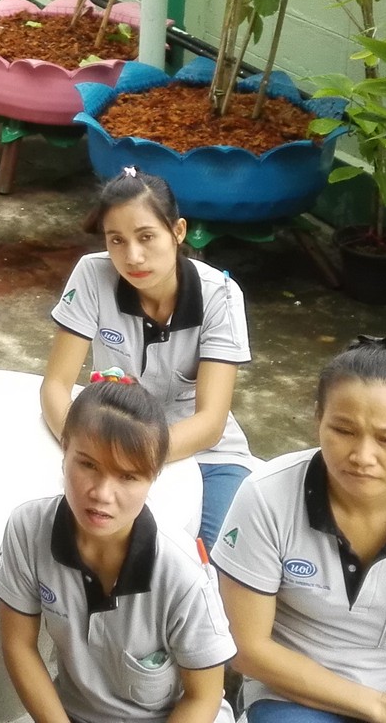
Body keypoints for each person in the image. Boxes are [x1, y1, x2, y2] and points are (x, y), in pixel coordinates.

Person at [214, 337, 386, 723]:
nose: (362, 456)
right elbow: (247, 647)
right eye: (344, 430)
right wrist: (380, 707)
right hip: (295, 691)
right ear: (318, 420)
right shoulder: (265, 497)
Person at [0, 380, 236, 723]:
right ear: (64, 450)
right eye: (88, 465)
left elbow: (203, 696)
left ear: (154, 477)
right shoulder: (28, 529)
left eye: (128, 477)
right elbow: (19, 646)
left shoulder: (181, 574)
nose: (102, 494)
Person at [42, 170, 254, 550]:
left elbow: (210, 423)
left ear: (178, 231)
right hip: (109, 447)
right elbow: (56, 385)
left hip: (207, 456)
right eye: (116, 241)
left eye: (147, 237)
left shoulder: (220, 296)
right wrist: (82, 448)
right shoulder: (92, 275)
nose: (132, 256)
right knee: (73, 547)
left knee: (209, 561)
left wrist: (126, 459)